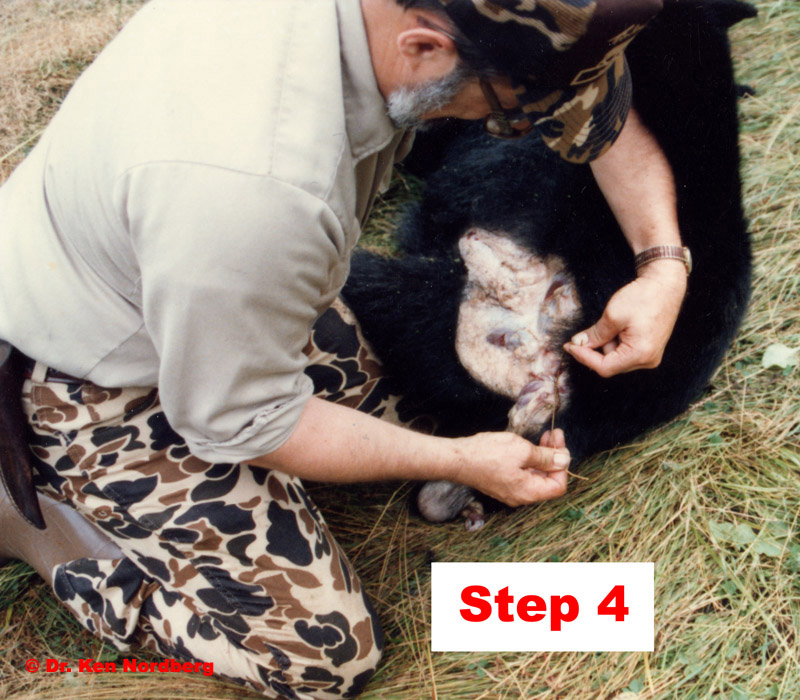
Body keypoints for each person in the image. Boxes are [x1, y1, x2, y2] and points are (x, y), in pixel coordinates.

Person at [0, 0, 689, 697]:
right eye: (511, 111)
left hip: (196, 285)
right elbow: (245, 422)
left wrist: (662, 263)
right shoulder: (255, 187)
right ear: (423, 51)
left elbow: (582, 97)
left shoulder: (378, 33)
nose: (507, 126)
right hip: (87, 378)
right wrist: (461, 461)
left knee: (419, 413)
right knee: (324, 657)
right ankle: (58, 534)